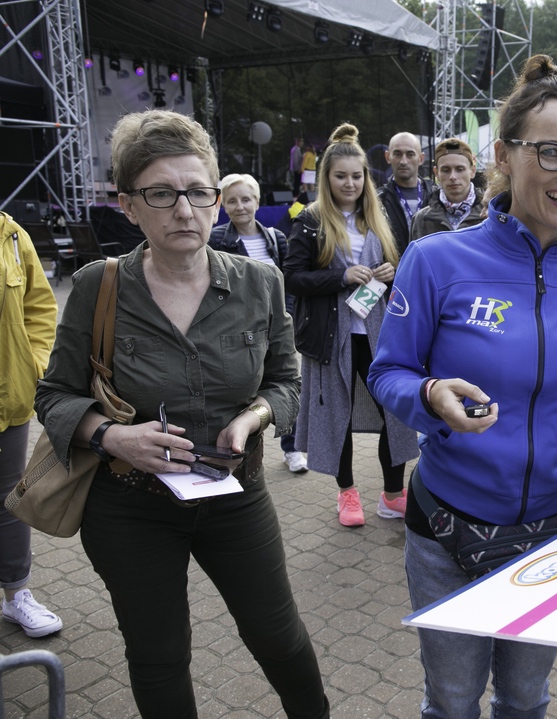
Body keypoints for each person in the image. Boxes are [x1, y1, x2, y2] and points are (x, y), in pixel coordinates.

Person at [34, 110, 328, 718]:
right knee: (159, 655)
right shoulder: (97, 287)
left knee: (278, 636)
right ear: (128, 206)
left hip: (235, 496)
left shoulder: (260, 283)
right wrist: (112, 436)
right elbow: (54, 395)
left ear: (217, 199)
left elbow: (285, 381)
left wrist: (254, 418)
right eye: (161, 194)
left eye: (198, 192)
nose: (184, 210)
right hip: (129, 508)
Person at [369, 54, 557, 719]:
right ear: (505, 155)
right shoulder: (436, 260)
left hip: (554, 534)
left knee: (525, 699)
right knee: (453, 703)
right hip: (448, 528)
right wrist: (429, 396)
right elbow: (388, 371)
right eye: (552, 152)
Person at [283, 123, 419, 527]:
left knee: (394, 412)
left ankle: (392, 494)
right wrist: (340, 277)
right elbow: (292, 277)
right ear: (326, 178)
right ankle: (347, 494)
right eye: (341, 176)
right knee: (336, 416)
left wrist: (391, 272)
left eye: (357, 176)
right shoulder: (310, 220)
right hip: (331, 336)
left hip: (380, 333)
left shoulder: (377, 216)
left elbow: (398, 268)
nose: (350, 183)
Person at [209, 173, 307, 473]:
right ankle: (234, 451)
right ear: (223, 205)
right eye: (232, 201)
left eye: (246, 199)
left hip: (275, 327)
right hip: (237, 331)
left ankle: (291, 449)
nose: (240, 206)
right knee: (241, 391)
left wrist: (286, 316)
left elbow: (287, 283)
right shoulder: (216, 240)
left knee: (284, 385)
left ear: (257, 202)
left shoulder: (276, 238)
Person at [1, 211, 62, 639]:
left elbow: (40, 307)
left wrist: (33, 365)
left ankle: (16, 595)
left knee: (9, 501)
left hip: (8, 399)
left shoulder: (10, 234)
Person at [409, 138, 484, 240]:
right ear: (436, 173)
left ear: (472, 171)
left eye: (460, 169)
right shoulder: (422, 219)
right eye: (446, 170)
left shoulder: (490, 214)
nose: (453, 177)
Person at [377, 132, 434, 255]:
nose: (403, 161)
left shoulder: (437, 197)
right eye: (397, 154)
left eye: (410, 154)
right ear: (388, 157)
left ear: (421, 158)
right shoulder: (378, 201)